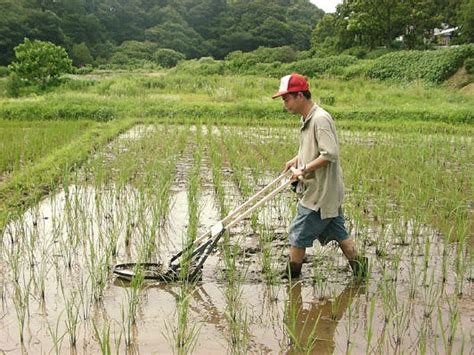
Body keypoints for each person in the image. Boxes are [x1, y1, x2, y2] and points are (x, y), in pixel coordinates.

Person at [272, 73, 368, 279]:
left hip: (320, 193)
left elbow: (330, 153)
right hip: (326, 192)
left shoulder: (320, 119)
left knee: (297, 234)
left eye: (286, 99)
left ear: (299, 96)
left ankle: (292, 276)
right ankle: (361, 271)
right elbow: (315, 148)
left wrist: (303, 170)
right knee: (339, 233)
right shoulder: (307, 118)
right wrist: (296, 159)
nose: (284, 104)